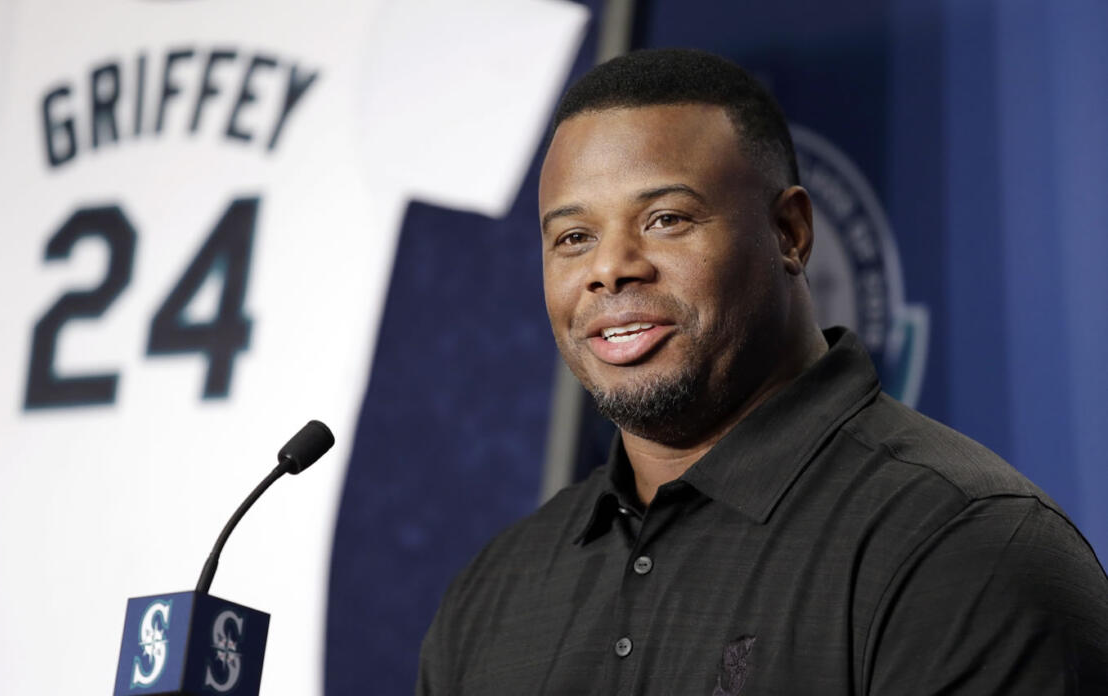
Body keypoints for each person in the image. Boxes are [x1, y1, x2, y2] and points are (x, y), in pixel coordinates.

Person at [416, 49, 1108, 694]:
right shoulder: (493, 593)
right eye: (574, 238)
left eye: (664, 219)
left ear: (790, 233)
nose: (610, 268)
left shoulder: (963, 549)